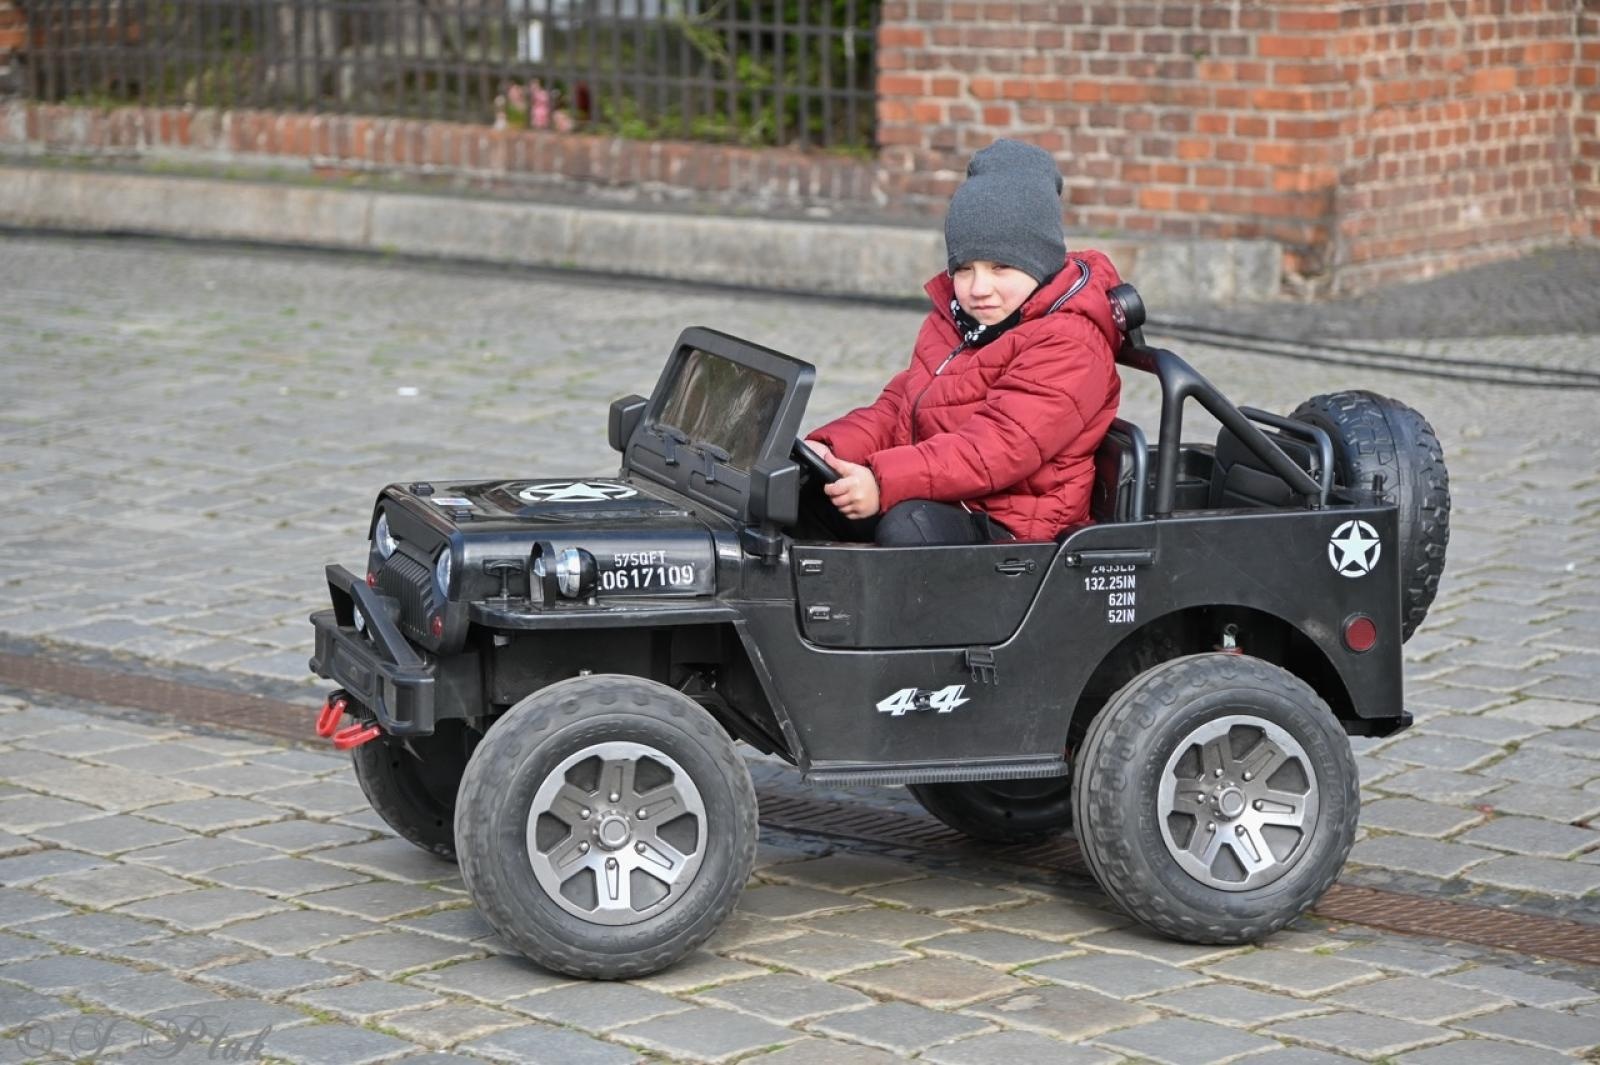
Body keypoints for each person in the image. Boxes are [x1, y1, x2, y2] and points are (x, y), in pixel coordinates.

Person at [803, 138, 1125, 545]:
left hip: (1012, 527)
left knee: (907, 529)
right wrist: (828, 451)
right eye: (964, 268)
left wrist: (883, 483)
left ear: (1040, 263)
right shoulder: (960, 320)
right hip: (948, 494)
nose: (978, 288)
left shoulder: (1070, 342)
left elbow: (998, 447)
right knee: (810, 495)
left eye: (1001, 267)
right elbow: (901, 407)